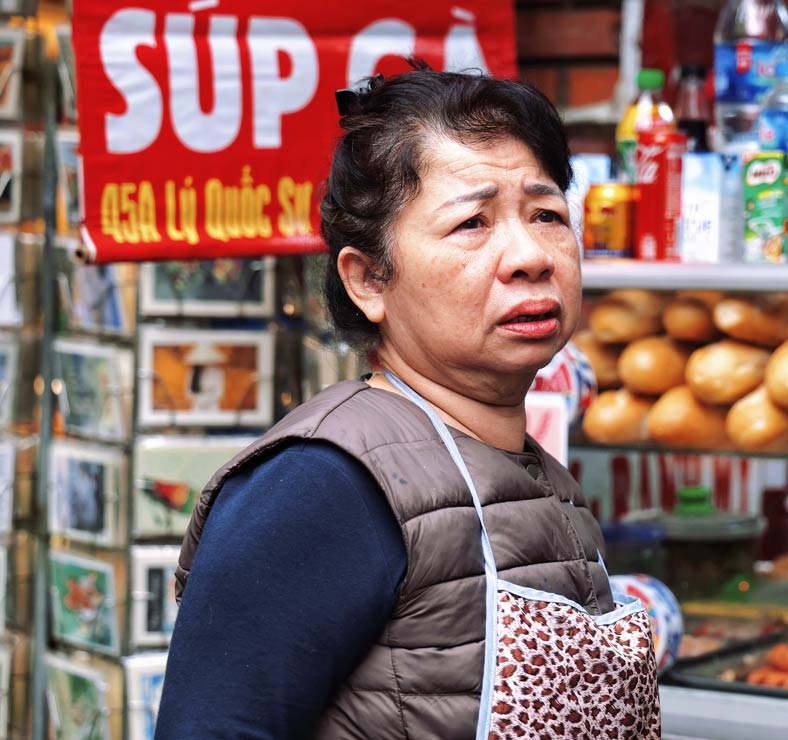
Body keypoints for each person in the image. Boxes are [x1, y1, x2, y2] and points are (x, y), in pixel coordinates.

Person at [155, 62, 660, 739]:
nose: (531, 255)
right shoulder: (321, 484)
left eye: (546, 214)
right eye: (473, 223)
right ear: (369, 280)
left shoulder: (541, 477)